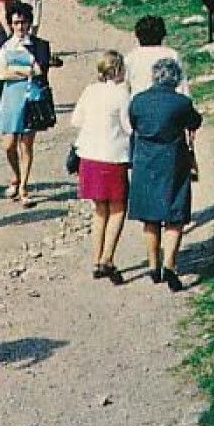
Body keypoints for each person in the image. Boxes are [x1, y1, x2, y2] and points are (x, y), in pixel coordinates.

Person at [128, 57, 202, 291]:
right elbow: (195, 122)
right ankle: (169, 264)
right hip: (173, 161)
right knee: (174, 215)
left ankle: (153, 265)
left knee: (150, 217)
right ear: (176, 78)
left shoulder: (138, 101)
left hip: (145, 162)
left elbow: (133, 124)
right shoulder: (181, 103)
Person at [71, 50, 132, 283]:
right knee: (117, 208)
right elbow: (128, 127)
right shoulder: (121, 95)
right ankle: (108, 257)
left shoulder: (90, 90)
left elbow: (76, 120)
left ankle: (96, 259)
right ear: (118, 70)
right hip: (113, 156)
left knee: (99, 211)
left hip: (89, 156)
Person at [0, 2, 50, 207]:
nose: (20, 27)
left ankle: (24, 186)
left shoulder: (39, 45)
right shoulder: (5, 45)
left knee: (26, 144)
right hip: (9, 98)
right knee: (8, 144)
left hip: (30, 98)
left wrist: (15, 70)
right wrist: (24, 71)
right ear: (11, 24)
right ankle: (16, 175)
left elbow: (40, 70)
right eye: (16, 23)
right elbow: (1, 74)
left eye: (23, 22)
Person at [124, 15, 187, 98]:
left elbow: (124, 88)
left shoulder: (130, 58)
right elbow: (182, 88)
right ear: (163, 35)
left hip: (139, 106)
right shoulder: (172, 55)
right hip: (168, 105)